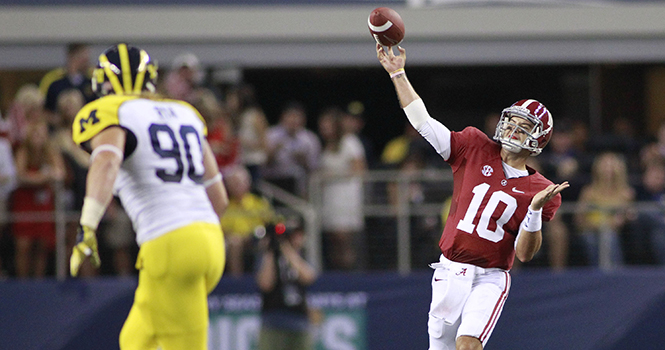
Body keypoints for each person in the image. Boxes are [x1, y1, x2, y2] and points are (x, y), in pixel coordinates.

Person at [376, 43, 568, 350]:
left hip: (490, 277)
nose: (514, 130)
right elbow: (424, 123)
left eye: (524, 126)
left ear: (538, 138)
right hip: (450, 270)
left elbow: (525, 255)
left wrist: (533, 212)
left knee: (468, 344)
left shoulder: (541, 190)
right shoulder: (474, 146)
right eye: (513, 122)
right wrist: (397, 73)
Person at [68, 44, 229, 350]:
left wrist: (87, 225)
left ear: (104, 81)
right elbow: (219, 198)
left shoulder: (113, 111)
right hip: (209, 238)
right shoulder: (186, 113)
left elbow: (106, 161)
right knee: (134, 341)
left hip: (169, 243)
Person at [11, 119, 66, 278]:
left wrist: (39, 178)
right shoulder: (22, 152)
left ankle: (38, 282)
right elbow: (21, 177)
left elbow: (60, 173)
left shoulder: (50, 152)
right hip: (25, 203)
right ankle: (22, 283)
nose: (38, 137)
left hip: (44, 204)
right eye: (34, 134)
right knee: (24, 245)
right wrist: (44, 178)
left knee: (42, 245)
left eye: (41, 134)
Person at [317, 107, 367, 270]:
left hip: (346, 196)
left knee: (344, 238)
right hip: (329, 198)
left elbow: (360, 170)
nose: (324, 128)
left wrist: (333, 175)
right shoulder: (326, 146)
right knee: (333, 240)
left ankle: (350, 276)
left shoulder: (350, 142)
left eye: (327, 125)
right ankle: (338, 275)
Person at [255, 221, 317, 350]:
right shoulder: (266, 257)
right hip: (273, 320)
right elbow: (265, 284)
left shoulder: (300, 255)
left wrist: (286, 249)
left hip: (298, 319)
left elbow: (308, 277)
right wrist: (271, 251)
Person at [575, 152, 634, 268]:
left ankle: (615, 273)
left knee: (609, 237)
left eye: (611, 165)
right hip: (591, 229)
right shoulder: (588, 192)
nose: (608, 169)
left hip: (615, 230)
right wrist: (597, 225)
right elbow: (579, 218)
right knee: (590, 239)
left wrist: (621, 220)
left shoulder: (626, 193)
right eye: (605, 165)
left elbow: (627, 216)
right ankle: (597, 275)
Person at [220, 165, 275, 276]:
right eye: (234, 183)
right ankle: (237, 280)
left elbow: (271, 222)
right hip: (234, 239)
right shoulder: (225, 206)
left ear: (247, 183)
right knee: (235, 242)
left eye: (240, 182)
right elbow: (223, 228)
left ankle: (265, 277)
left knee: (269, 242)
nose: (237, 186)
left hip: (256, 238)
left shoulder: (258, 203)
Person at [263, 102, 321, 197]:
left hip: (300, 185)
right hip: (275, 184)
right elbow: (262, 165)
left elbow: (315, 170)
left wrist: (304, 161)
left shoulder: (310, 139)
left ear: (303, 119)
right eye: (290, 116)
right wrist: (274, 151)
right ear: (282, 117)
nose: (293, 120)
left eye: (297, 117)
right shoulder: (271, 135)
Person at [39, 43, 95, 116]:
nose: (87, 63)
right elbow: (47, 111)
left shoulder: (92, 84)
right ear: (72, 57)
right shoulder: (56, 84)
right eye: (83, 59)